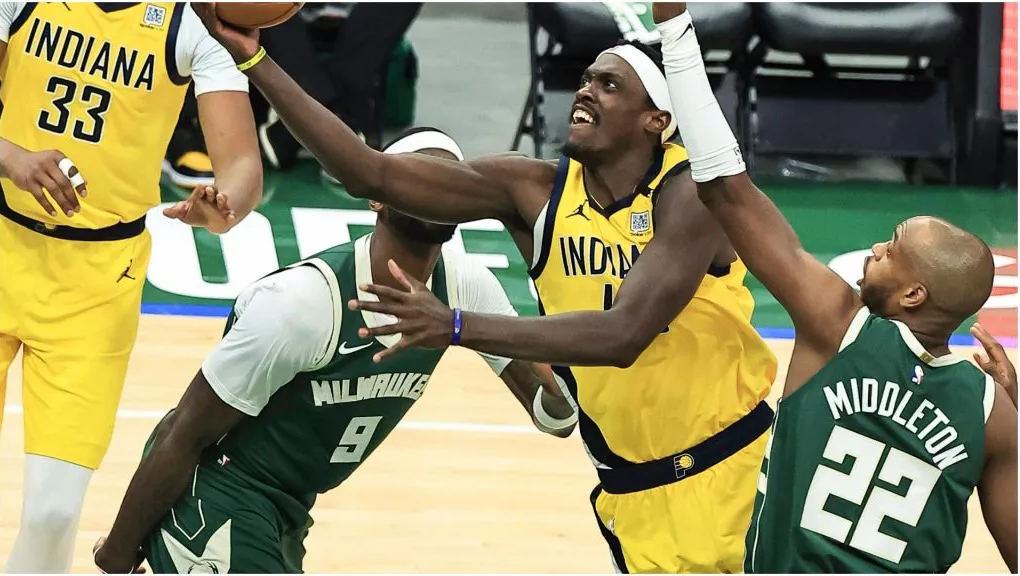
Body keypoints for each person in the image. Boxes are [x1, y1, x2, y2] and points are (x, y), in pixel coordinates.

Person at [191, 3, 778, 572]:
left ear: (657, 120)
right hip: (630, 488)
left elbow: (624, 333)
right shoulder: (533, 190)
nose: (585, 91)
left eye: (610, 85)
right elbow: (372, 174)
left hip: (733, 472)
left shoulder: (694, 195)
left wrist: (455, 326)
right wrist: (256, 61)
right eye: (585, 79)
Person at [91, 129, 577, 574]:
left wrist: (473, 330)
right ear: (376, 198)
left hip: (289, 508)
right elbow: (182, 432)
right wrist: (117, 554)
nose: (434, 191)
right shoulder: (304, 303)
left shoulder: (466, 287)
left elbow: (555, 416)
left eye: (447, 181)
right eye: (418, 177)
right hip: (215, 495)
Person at [651, 2, 1018, 573]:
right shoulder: (992, 412)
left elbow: (724, 189)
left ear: (913, 296)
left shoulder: (837, 324)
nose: (874, 249)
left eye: (891, 249)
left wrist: (675, 33)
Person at [0, 2, 263, 572]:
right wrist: (10, 156)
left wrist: (220, 209)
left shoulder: (189, 23)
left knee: (52, 515)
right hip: (0, 239)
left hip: (96, 285)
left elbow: (242, 167)